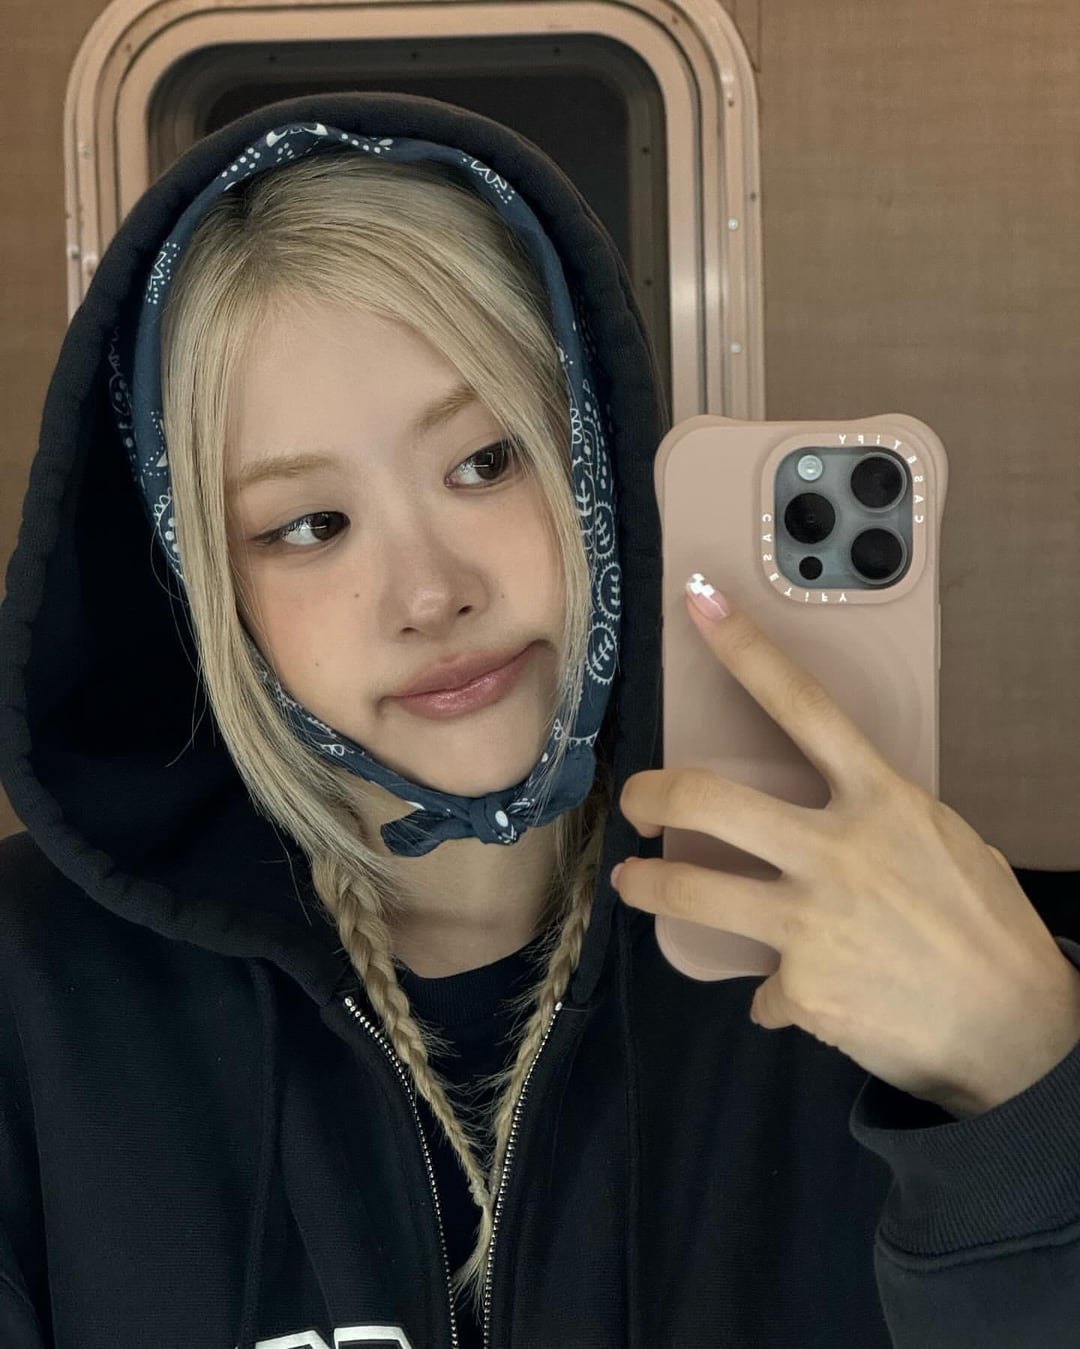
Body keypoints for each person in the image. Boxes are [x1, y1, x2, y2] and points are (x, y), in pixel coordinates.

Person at [1, 91, 1078, 1349]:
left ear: (593, 456)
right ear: (210, 586)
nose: (429, 592)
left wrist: (1028, 1101)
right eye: (308, 525)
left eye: (487, 459)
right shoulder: (35, 993)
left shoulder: (856, 945)